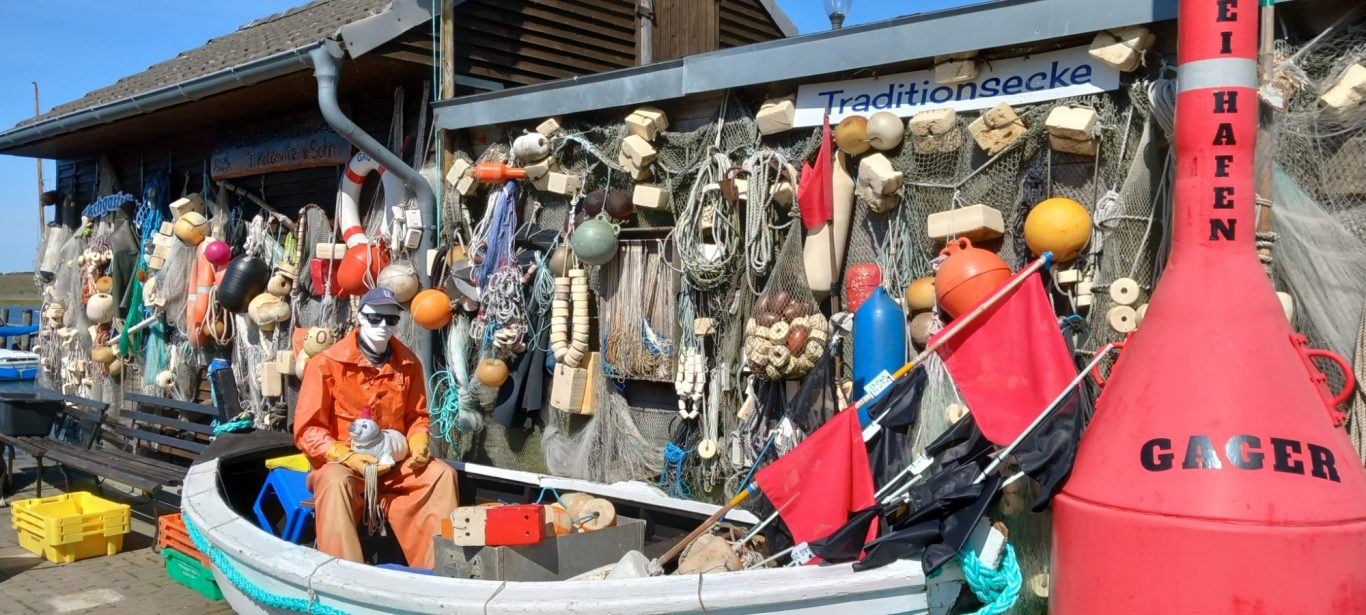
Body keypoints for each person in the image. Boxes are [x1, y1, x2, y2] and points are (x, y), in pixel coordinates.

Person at [293, 287, 458, 568]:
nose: (383, 326)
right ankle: (342, 576)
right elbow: (307, 431)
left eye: (391, 320)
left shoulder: (409, 365)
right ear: (360, 316)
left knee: (442, 475)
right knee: (334, 482)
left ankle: (440, 571)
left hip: (393, 465)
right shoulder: (325, 365)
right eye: (375, 318)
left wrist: (419, 442)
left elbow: (417, 416)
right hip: (345, 465)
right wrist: (346, 457)